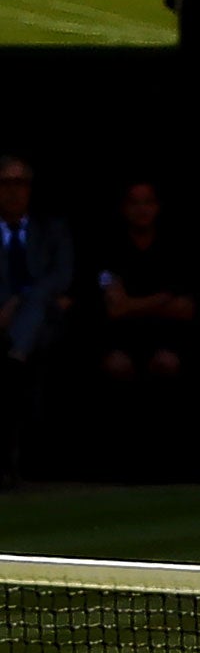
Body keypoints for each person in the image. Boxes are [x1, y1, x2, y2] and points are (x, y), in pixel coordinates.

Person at [0, 154, 73, 481]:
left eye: (21, 183)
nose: (14, 191)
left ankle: (15, 355)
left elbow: (60, 276)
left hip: (43, 324)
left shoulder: (52, 230)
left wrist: (19, 301)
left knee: (38, 305)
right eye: (6, 183)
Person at [98, 179, 196, 384]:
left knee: (167, 363)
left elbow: (185, 309)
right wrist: (162, 300)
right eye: (134, 203)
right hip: (121, 339)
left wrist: (129, 304)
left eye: (148, 202)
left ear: (157, 207)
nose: (142, 209)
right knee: (116, 365)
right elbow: (114, 310)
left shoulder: (175, 249)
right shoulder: (109, 249)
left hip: (166, 338)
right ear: (124, 208)